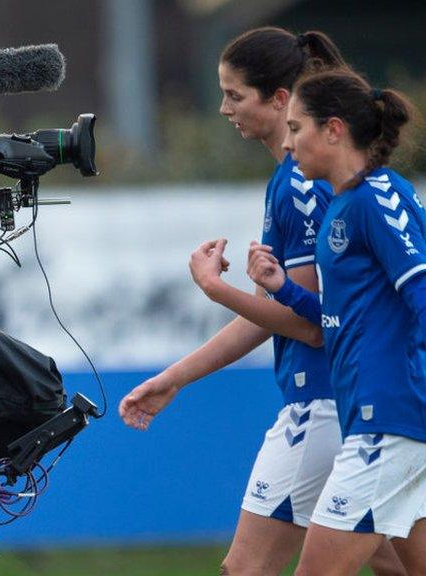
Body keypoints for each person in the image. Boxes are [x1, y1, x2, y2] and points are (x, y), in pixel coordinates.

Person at [118, 28, 403, 576]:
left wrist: (214, 288)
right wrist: (175, 377)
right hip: (362, 402)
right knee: (404, 567)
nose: (224, 108)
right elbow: (277, 317)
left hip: (322, 403)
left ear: (279, 98)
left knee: (245, 570)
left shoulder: (301, 181)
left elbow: (309, 324)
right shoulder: (307, 177)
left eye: (235, 94)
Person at [246, 67, 426, 576]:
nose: (289, 143)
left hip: (392, 423)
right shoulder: (343, 207)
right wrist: (284, 290)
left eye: (297, 128)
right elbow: (340, 320)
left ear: (334, 129)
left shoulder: (381, 198)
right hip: (391, 423)